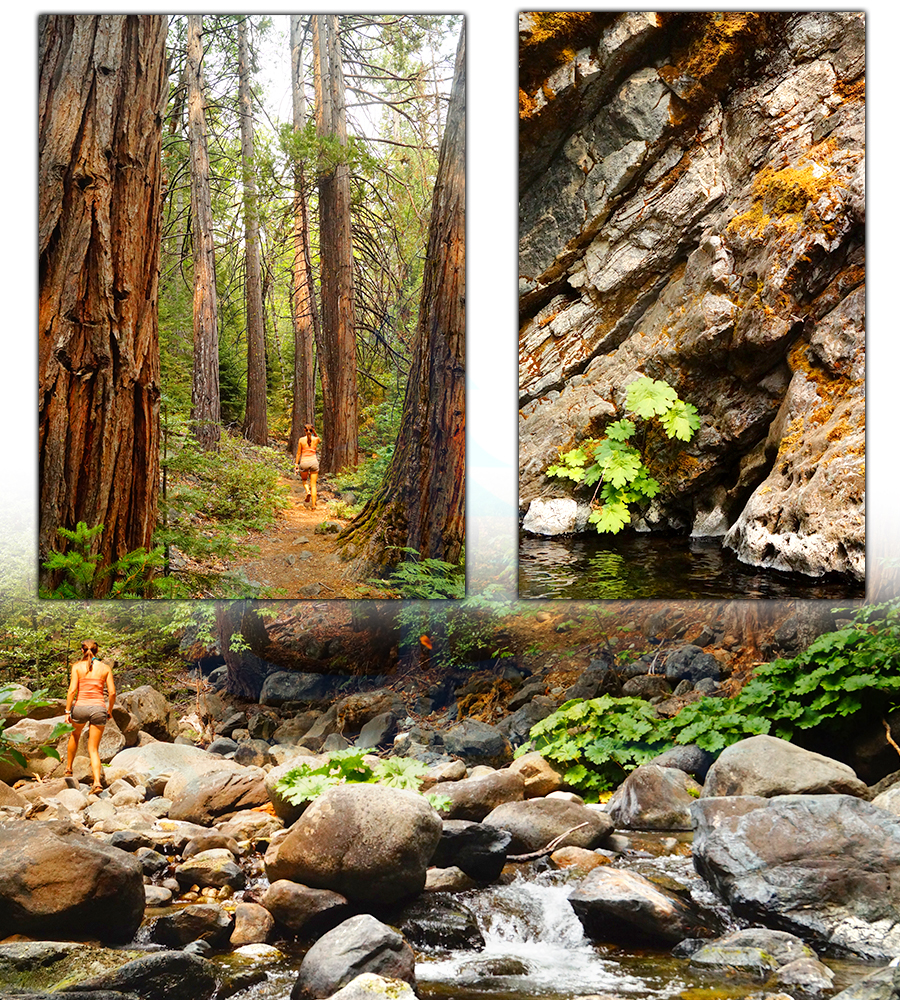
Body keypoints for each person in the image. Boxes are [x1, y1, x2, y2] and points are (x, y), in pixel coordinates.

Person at [65, 640, 115, 794]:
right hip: (98, 708)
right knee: (93, 749)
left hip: (80, 707)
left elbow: (72, 690)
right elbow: (112, 693)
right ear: (97, 650)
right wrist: (109, 710)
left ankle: (68, 769)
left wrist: (68, 711)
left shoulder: (76, 667)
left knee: (75, 735)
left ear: (82, 650)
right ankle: (97, 782)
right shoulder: (105, 668)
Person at [293, 423, 320, 510]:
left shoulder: (301, 440)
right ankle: (313, 505)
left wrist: (296, 464)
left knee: (304, 480)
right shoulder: (316, 439)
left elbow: (298, 453)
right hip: (314, 462)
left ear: (304, 430)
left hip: (304, 462)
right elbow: (319, 439)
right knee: (314, 485)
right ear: (313, 430)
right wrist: (313, 432)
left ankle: (308, 491)